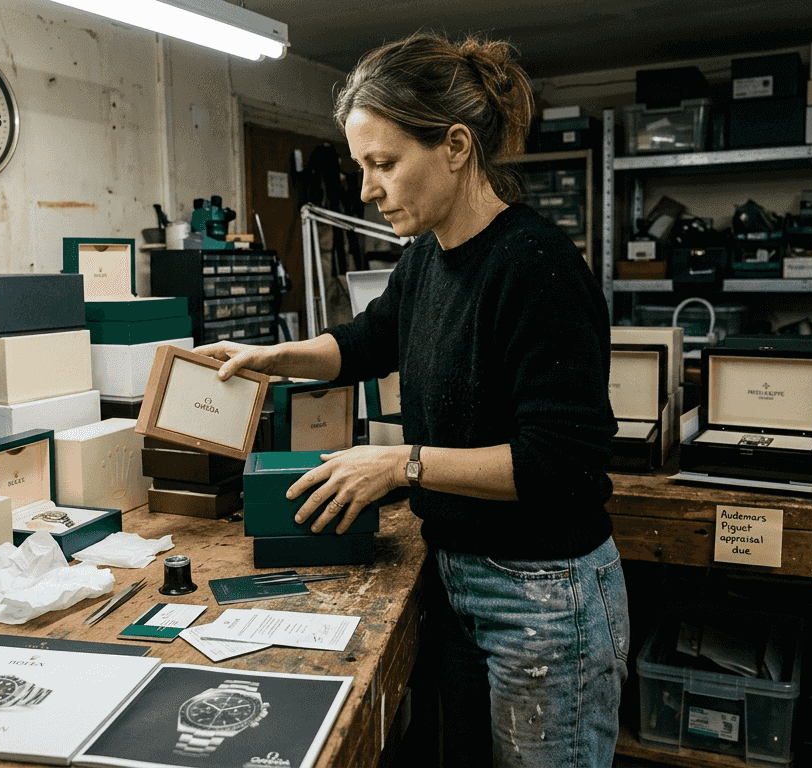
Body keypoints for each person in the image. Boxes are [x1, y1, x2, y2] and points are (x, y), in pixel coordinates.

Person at [195, 31, 627, 768]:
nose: (367, 190)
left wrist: (403, 465)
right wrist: (275, 357)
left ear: (456, 146)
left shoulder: (535, 267)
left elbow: (559, 461)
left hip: (543, 599)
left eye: (384, 164)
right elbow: (368, 341)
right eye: (362, 167)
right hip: (456, 579)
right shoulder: (427, 258)